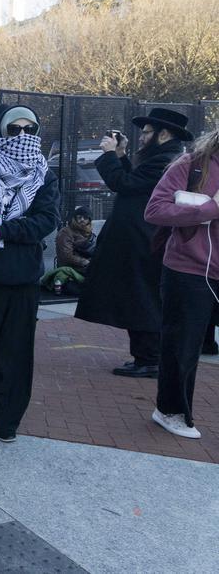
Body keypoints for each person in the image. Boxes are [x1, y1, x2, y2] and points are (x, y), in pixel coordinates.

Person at [0, 104, 60, 445]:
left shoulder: (44, 174)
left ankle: (5, 418)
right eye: (13, 130)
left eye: (28, 129)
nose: (22, 136)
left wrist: (0, 231)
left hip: (23, 278)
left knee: (14, 356)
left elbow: (46, 221)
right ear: (1, 133)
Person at [75, 108, 190, 379]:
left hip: (143, 240)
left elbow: (123, 183)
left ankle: (149, 358)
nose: (142, 137)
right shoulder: (164, 157)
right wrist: (121, 156)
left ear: (163, 134)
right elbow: (134, 182)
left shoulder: (166, 160)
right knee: (138, 297)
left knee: (142, 298)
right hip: (141, 239)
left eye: (147, 132)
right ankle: (145, 356)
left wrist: (107, 155)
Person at [144, 128, 219, 438]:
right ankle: (170, 411)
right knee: (183, 346)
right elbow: (155, 210)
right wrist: (210, 208)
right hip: (189, 270)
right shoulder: (190, 165)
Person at [44, 206, 96, 296]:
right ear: (74, 218)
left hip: (87, 266)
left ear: (89, 220)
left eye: (85, 218)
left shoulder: (90, 233)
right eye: (79, 217)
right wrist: (84, 262)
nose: (82, 220)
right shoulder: (66, 232)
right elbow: (65, 256)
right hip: (73, 266)